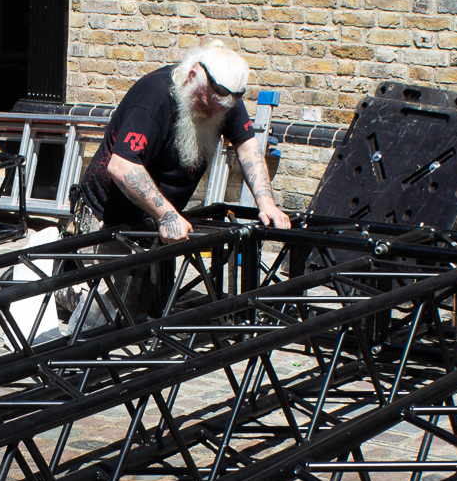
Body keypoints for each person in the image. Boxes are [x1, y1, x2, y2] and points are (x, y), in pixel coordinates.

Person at [59, 44, 291, 327]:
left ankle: (89, 276)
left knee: (144, 312)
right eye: (204, 104)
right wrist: (166, 215)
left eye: (217, 111)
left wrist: (266, 203)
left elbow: (247, 145)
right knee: (105, 315)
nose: (209, 115)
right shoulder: (154, 98)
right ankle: (48, 273)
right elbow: (122, 165)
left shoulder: (222, 95)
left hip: (150, 223)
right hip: (109, 216)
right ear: (192, 75)